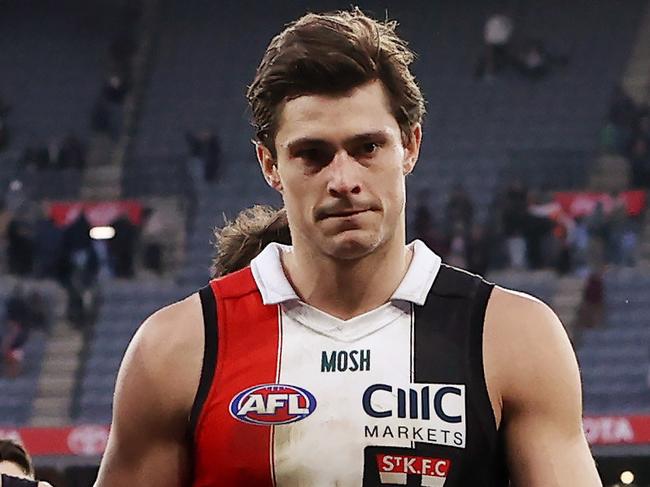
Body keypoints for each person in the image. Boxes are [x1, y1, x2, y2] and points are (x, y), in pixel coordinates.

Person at [94, 8, 601, 486]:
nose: (343, 179)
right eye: (312, 154)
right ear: (270, 165)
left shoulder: (513, 338)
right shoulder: (176, 349)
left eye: (367, 147)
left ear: (411, 145)